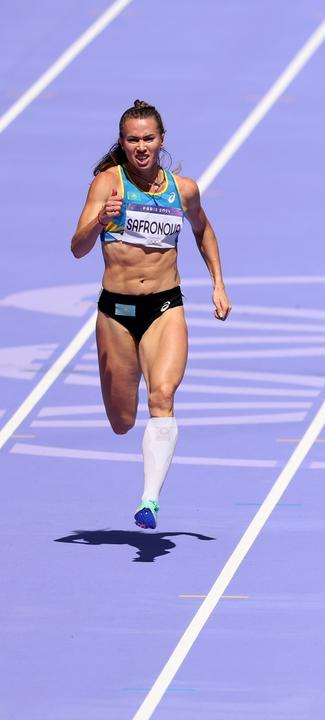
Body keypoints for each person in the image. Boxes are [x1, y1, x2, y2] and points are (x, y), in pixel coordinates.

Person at [69, 100, 232, 529]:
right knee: (122, 421)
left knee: (162, 396)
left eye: (148, 139)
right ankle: (124, 409)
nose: (141, 146)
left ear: (161, 140)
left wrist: (217, 282)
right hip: (117, 312)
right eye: (132, 140)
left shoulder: (184, 189)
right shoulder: (108, 183)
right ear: (121, 143)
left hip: (165, 306)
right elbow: (77, 247)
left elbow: (203, 230)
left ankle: (149, 500)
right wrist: (98, 222)